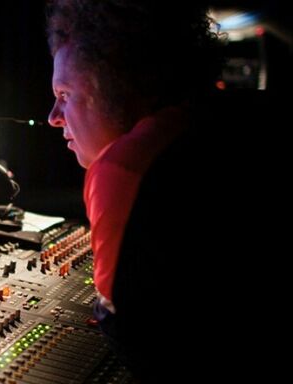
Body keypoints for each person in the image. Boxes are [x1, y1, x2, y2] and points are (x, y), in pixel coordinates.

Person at [46, 0, 235, 381]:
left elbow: (140, 348)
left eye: (65, 95)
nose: (53, 117)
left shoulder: (125, 168)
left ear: (119, 87)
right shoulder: (212, 118)